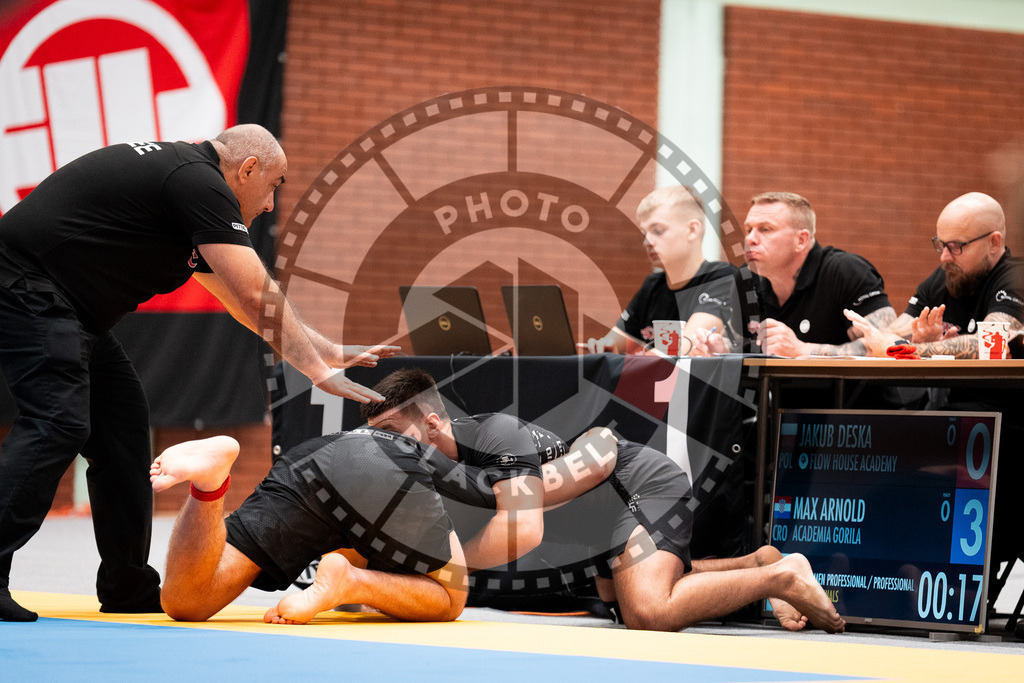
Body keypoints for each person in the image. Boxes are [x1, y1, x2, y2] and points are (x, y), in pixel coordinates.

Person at [0, 125, 396, 621]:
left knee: (122, 427)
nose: (272, 204)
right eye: (275, 184)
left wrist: (327, 350)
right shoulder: (198, 181)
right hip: (24, 287)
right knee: (58, 420)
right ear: (247, 168)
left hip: (65, 307)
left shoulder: (189, 191)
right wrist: (315, 372)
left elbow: (238, 300)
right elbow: (256, 294)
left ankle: (127, 586)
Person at [363, 368, 845, 633]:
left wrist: (442, 568)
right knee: (629, 600)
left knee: (648, 612)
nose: (384, 445)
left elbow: (523, 531)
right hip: (597, 530)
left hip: (639, 486)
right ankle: (757, 560)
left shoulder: (492, 434)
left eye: (390, 430)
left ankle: (779, 576)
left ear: (430, 422)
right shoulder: (430, 469)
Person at [149, 430, 467, 624]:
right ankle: (350, 581)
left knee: (186, 602)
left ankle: (209, 484)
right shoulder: (450, 468)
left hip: (314, 460)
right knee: (451, 598)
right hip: (392, 476)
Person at [846, 192, 1024, 358]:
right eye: (941, 244)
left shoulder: (1016, 277)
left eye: (956, 246)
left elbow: (993, 344)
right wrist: (920, 342)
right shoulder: (947, 274)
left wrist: (905, 349)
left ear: (994, 242)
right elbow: (892, 334)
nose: (944, 256)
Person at [585, 185, 740, 356]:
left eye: (658, 231)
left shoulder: (722, 277)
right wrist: (603, 347)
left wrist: (641, 357)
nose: (647, 242)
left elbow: (684, 349)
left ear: (692, 230)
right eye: (645, 233)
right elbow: (614, 344)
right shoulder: (652, 285)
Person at [743, 192, 895, 356]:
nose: (750, 238)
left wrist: (802, 350)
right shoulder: (746, 280)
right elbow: (733, 343)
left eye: (765, 229)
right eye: (749, 229)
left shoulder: (846, 271)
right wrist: (718, 347)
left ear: (801, 240)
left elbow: (888, 346)